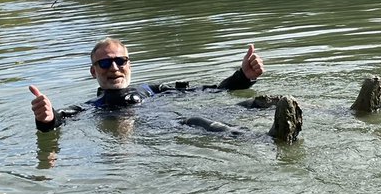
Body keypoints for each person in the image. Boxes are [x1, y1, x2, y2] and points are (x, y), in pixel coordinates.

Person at [29, 37, 268, 134]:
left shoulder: (150, 90)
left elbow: (210, 89)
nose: (113, 68)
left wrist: (243, 76)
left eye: (120, 61)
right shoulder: (94, 106)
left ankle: (293, 110)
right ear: (93, 72)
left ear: (129, 65)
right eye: (104, 63)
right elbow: (60, 119)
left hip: (174, 118)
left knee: (253, 102)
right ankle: (263, 138)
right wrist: (47, 118)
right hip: (160, 131)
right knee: (193, 120)